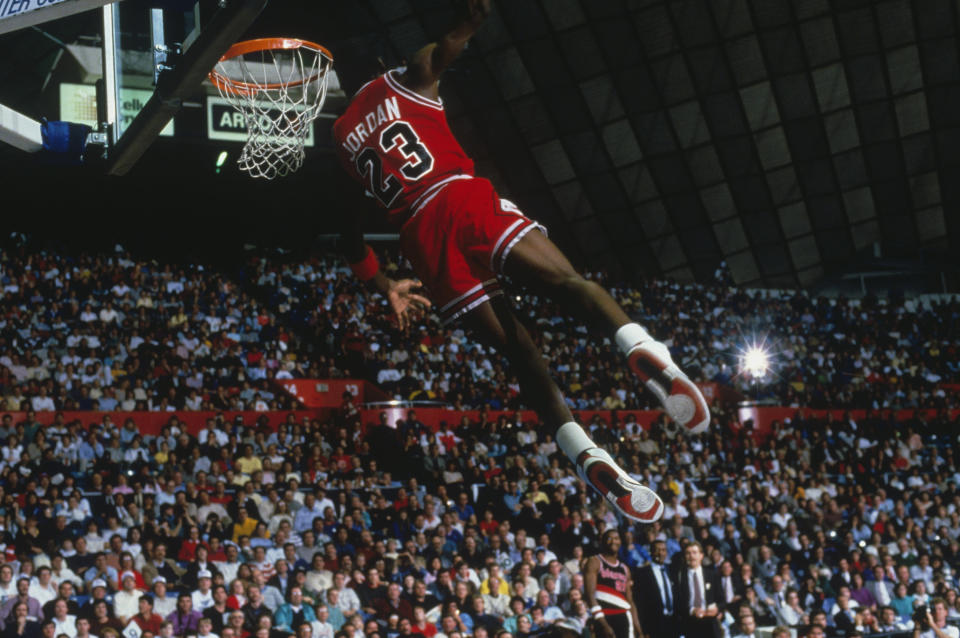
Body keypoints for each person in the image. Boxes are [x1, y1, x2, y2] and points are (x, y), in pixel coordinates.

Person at [331, 0, 708, 523]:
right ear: (376, 67)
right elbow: (439, 53)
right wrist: (470, 22)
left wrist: (386, 286)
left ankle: (583, 453)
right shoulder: (404, 78)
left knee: (520, 352)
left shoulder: (343, 140)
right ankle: (643, 351)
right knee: (565, 281)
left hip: (420, 239)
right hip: (456, 198)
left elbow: (347, 236)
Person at [583, 530, 642, 638]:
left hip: (624, 618)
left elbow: (630, 601)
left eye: (616, 538)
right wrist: (603, 624)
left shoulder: (624, 569)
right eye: (609, 538)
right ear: (603, 542)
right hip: (604, 617)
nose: (613, 541)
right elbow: (590, 596)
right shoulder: (595, 561)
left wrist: (638, 628)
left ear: (620, 542)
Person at [674, 542, 722, 638]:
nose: (691, 556)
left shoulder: (712, 575)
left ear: (701, 555)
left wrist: (717, 609)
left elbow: (721, 600)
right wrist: (692, 610)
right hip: (690, 624)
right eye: (688, 553)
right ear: (684, 557)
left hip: (710, 623)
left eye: (694, 552)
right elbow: (677, 604)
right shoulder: (678, 577)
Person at [632, 540, 677, 638]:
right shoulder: (642, 573)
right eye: (657, 550)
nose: (660, 553)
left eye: (663, 550)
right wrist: (644, 629)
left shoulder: (672, 570)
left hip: (673, 623)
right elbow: (640, 604)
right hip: (654, 625)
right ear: (651, 552)